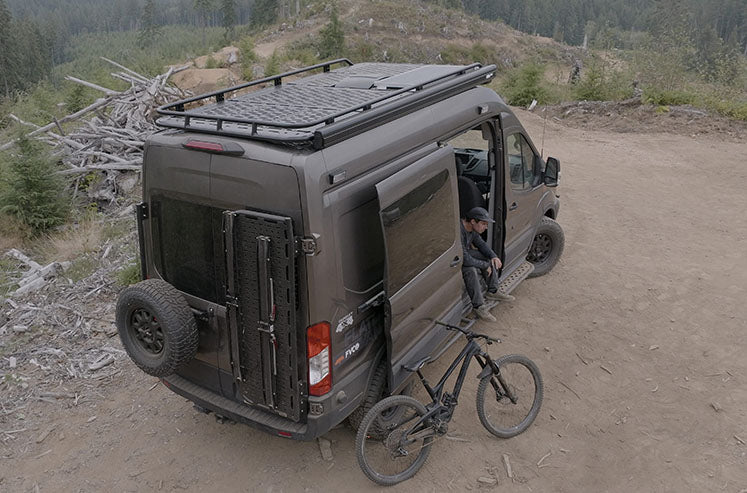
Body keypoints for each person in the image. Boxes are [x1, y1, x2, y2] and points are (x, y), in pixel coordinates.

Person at [461, 207, 514, 322]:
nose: (486, 227)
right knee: (470, 270)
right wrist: (485, 265)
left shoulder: (472, 229)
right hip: (456, 260)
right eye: (483, 224)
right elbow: (465, 260)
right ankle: (479, 306)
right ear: (473, 221)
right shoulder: (460, 231)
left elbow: (481, 244)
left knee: (488, 258)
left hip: (464, 255)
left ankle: (493, 291)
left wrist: (493, 256)